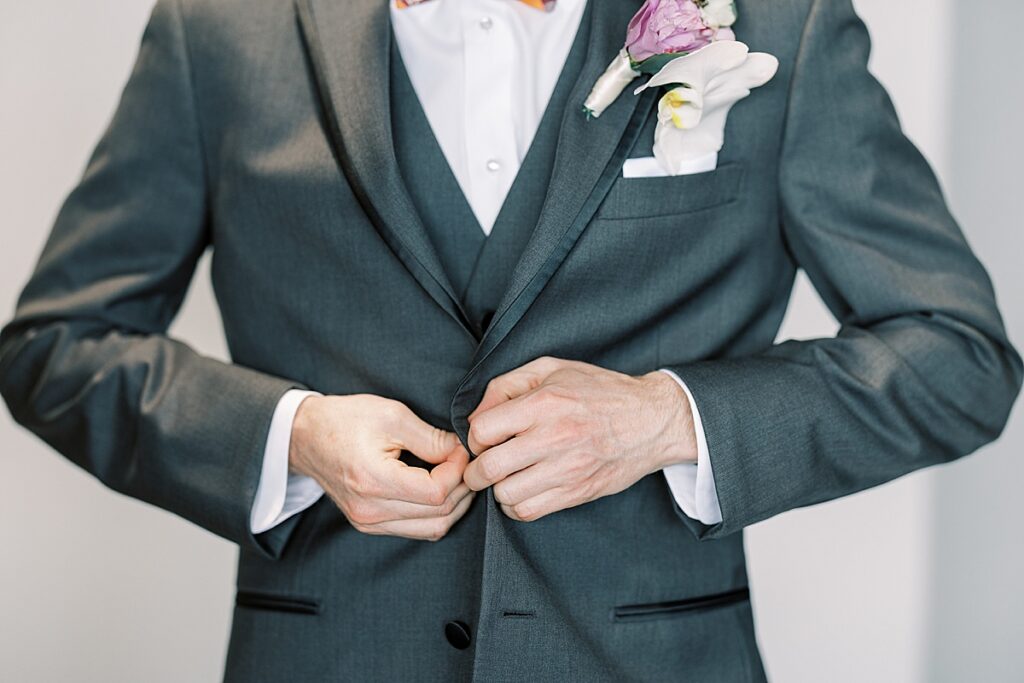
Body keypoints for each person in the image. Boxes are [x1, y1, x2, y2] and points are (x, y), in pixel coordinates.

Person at [1, 0, 1019, 680]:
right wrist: (291, 435)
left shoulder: (776, 25)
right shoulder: (220, 26)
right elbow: (56, 343)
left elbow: (955, 355)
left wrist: (669, 417)